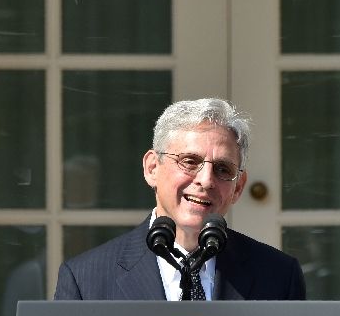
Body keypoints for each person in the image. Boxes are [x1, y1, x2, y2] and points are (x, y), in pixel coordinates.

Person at [54, 98, 305, 301]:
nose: (206, 180)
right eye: (189, 162)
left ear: (238, 187)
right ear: (152, 168)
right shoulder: (85, 280)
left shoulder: (279, 276)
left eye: (222, 170)